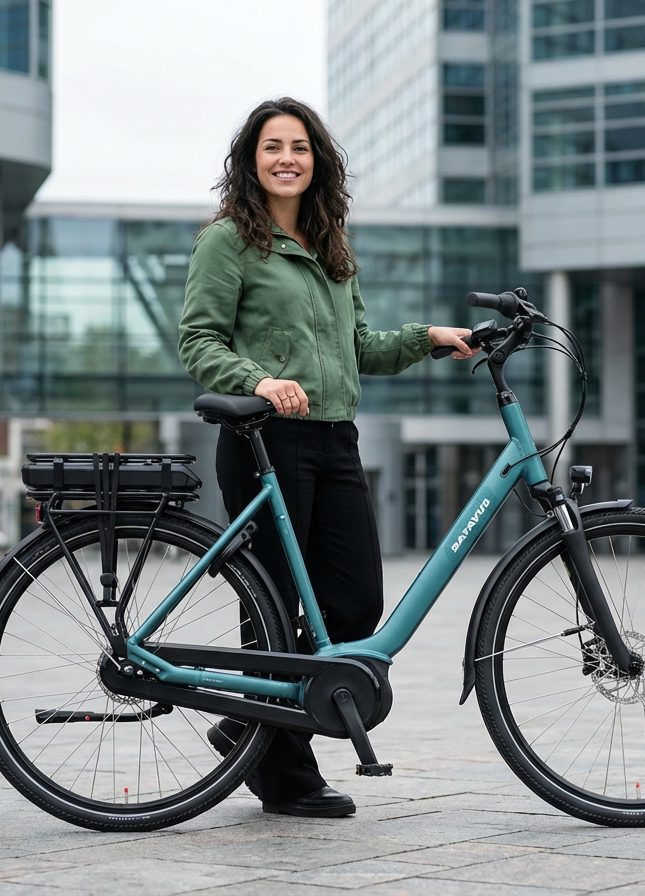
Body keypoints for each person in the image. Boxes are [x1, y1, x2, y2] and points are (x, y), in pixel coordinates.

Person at [177, 97, 476, 818]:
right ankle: (283, 775)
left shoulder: (329, 244)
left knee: (354, 602)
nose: (287, 159)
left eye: (300, 147)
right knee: (275, 607)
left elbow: (359, 347)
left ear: (318, 161)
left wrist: (428, 337)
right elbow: (198, 340)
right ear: (251, 160)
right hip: (265, 439)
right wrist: (258, 380)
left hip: (337, 438)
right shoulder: (228, 240)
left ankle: (246, 724)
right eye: (272, 146)